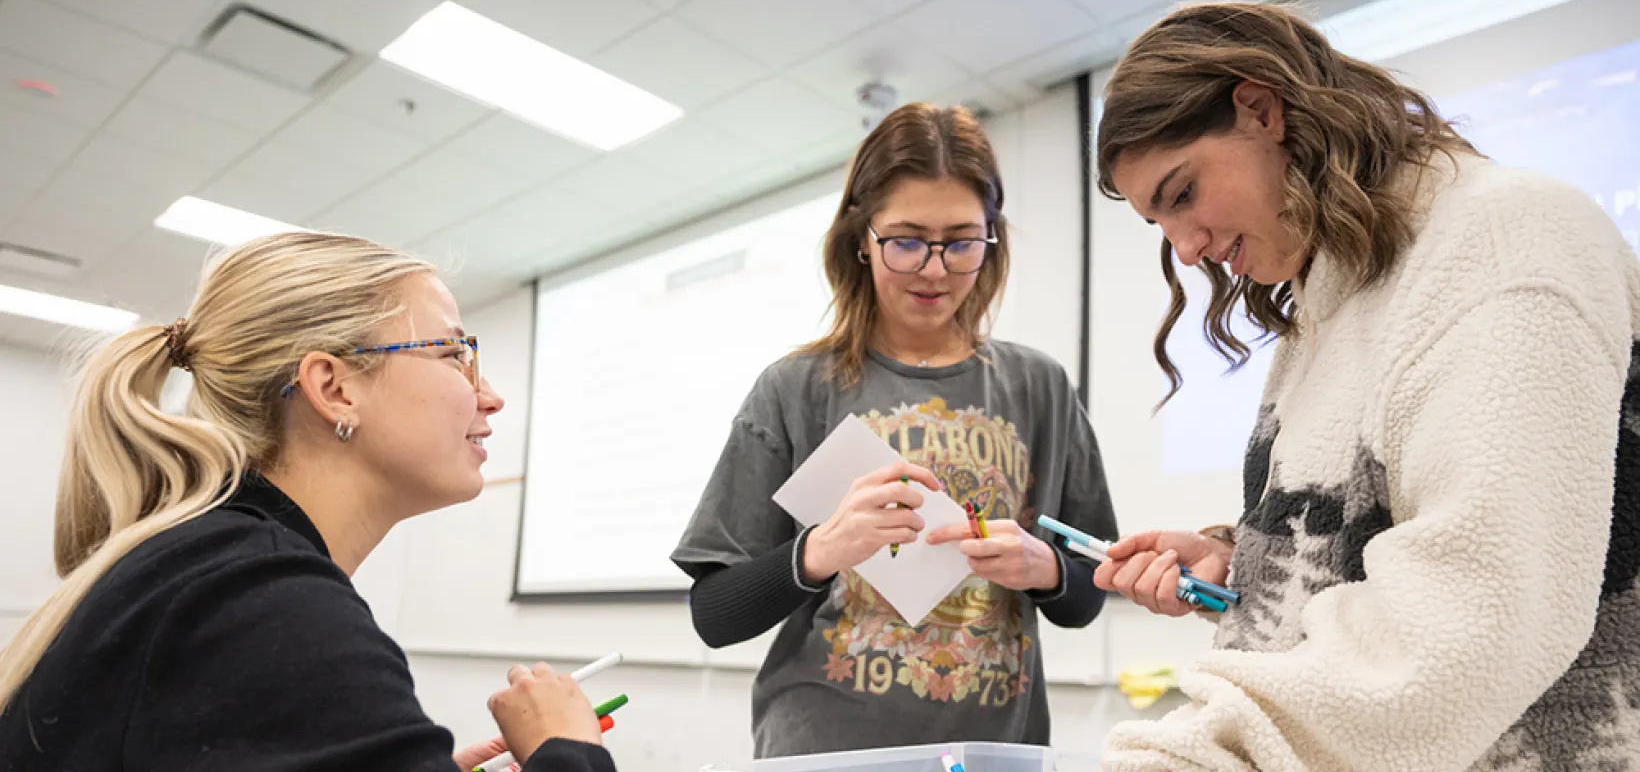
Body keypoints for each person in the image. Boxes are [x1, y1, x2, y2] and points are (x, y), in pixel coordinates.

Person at [1090, 1, 1640, 771]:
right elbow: (1386, 528)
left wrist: (1190, 759)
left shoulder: (1505, 240)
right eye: (1160, 224)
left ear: (1260, 111)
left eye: (1182, 194)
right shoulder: (1336, 291)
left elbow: (1474, 613)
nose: (1186, 251)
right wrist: (1238, 558)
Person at [0, 232, 615, 772]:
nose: (491, 396)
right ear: (334, 388)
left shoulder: (214, 569)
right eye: (456, 355)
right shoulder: (261, 601)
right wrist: (566, 749)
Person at [671, 103, 1119, 759]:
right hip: (827, 752)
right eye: (906, 241)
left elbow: (1086, 596)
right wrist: (821, 550)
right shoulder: (795, 388)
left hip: (991, 752)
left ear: (991, 240)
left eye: (962, 242)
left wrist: (1046, 568)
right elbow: (713, 615)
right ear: (862, 237)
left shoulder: (1040, 386)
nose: (934, 270)